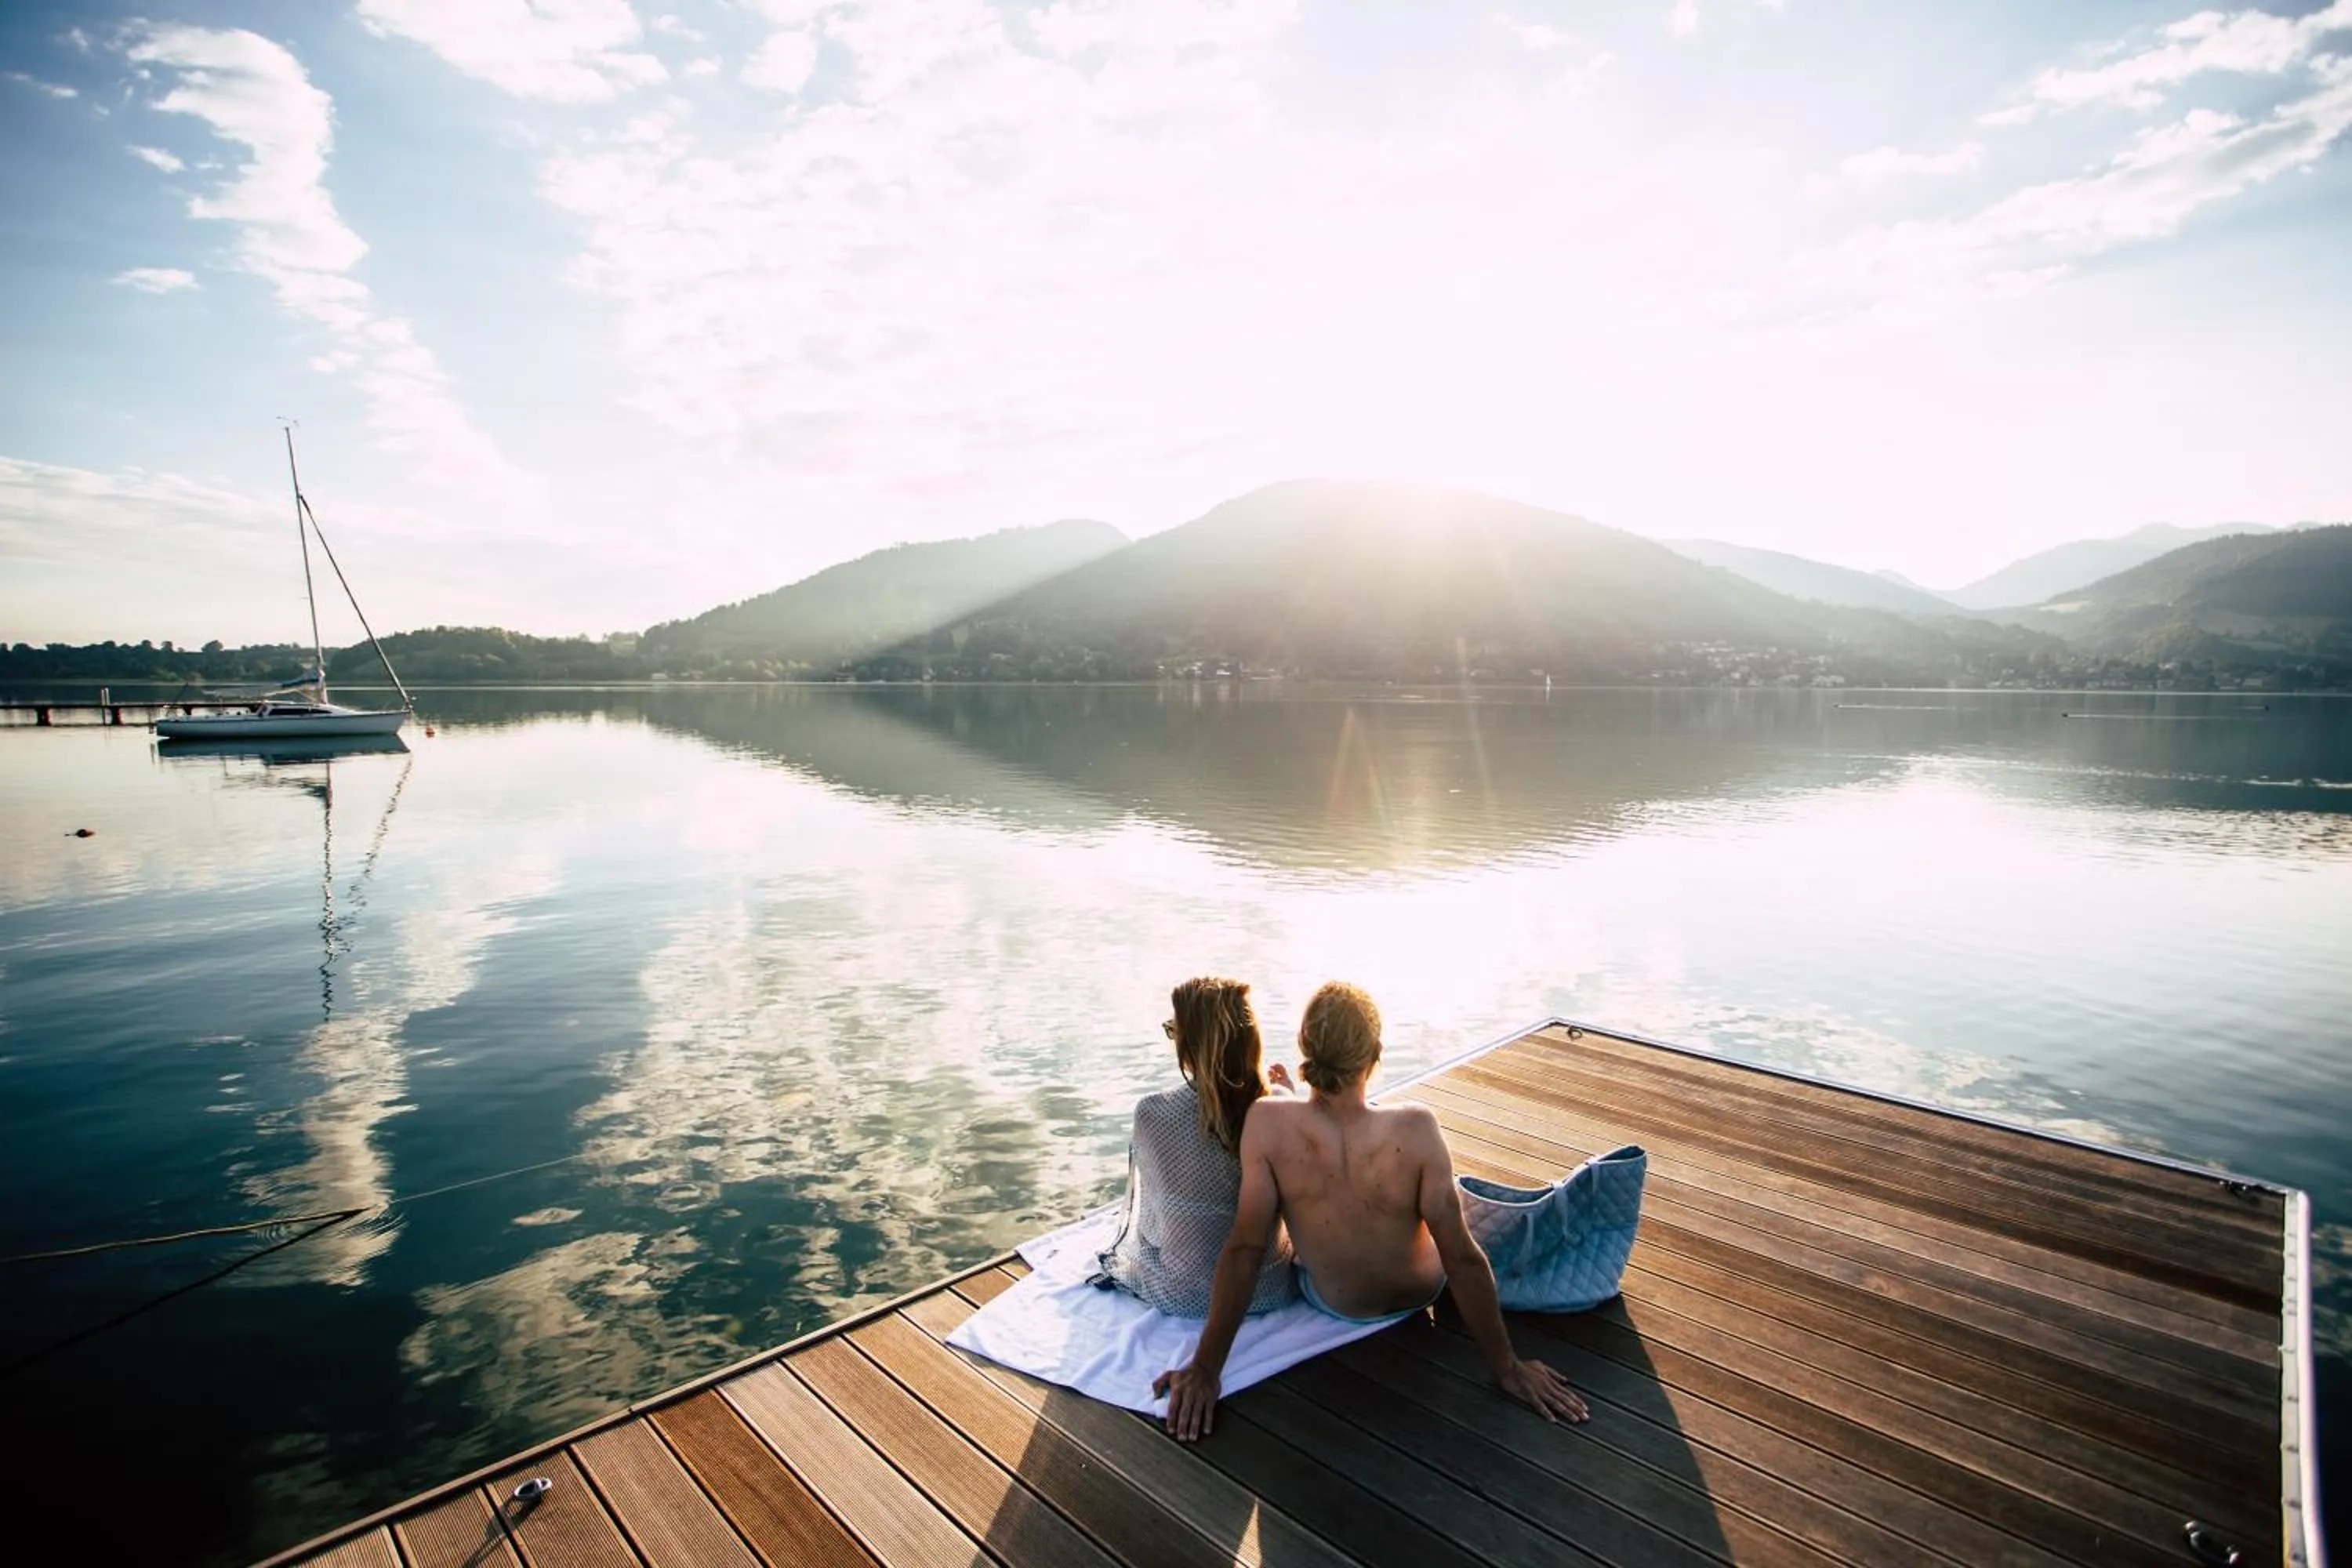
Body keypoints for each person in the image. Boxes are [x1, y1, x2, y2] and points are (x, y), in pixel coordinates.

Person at [1153, 980, 1588, 1438]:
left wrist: (1205, 1368)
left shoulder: (1266, 1122)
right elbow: (1460, 1255)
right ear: (1375, 1053)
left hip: (1340, 1304)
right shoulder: (1417, 1127)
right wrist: (1508, 1367)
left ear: (1305, 1048)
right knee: (1447, 1201)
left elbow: (1245, 1250)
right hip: (1423, 1290)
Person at [1095, 977, 1298, 1318]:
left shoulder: (1151, 1112)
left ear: (1190, 1046)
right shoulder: (1279, 1109)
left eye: (1174, 1031)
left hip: (1178, 1291)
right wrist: (1291, 1096)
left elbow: (1152, 1223)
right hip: (1264, 1289)